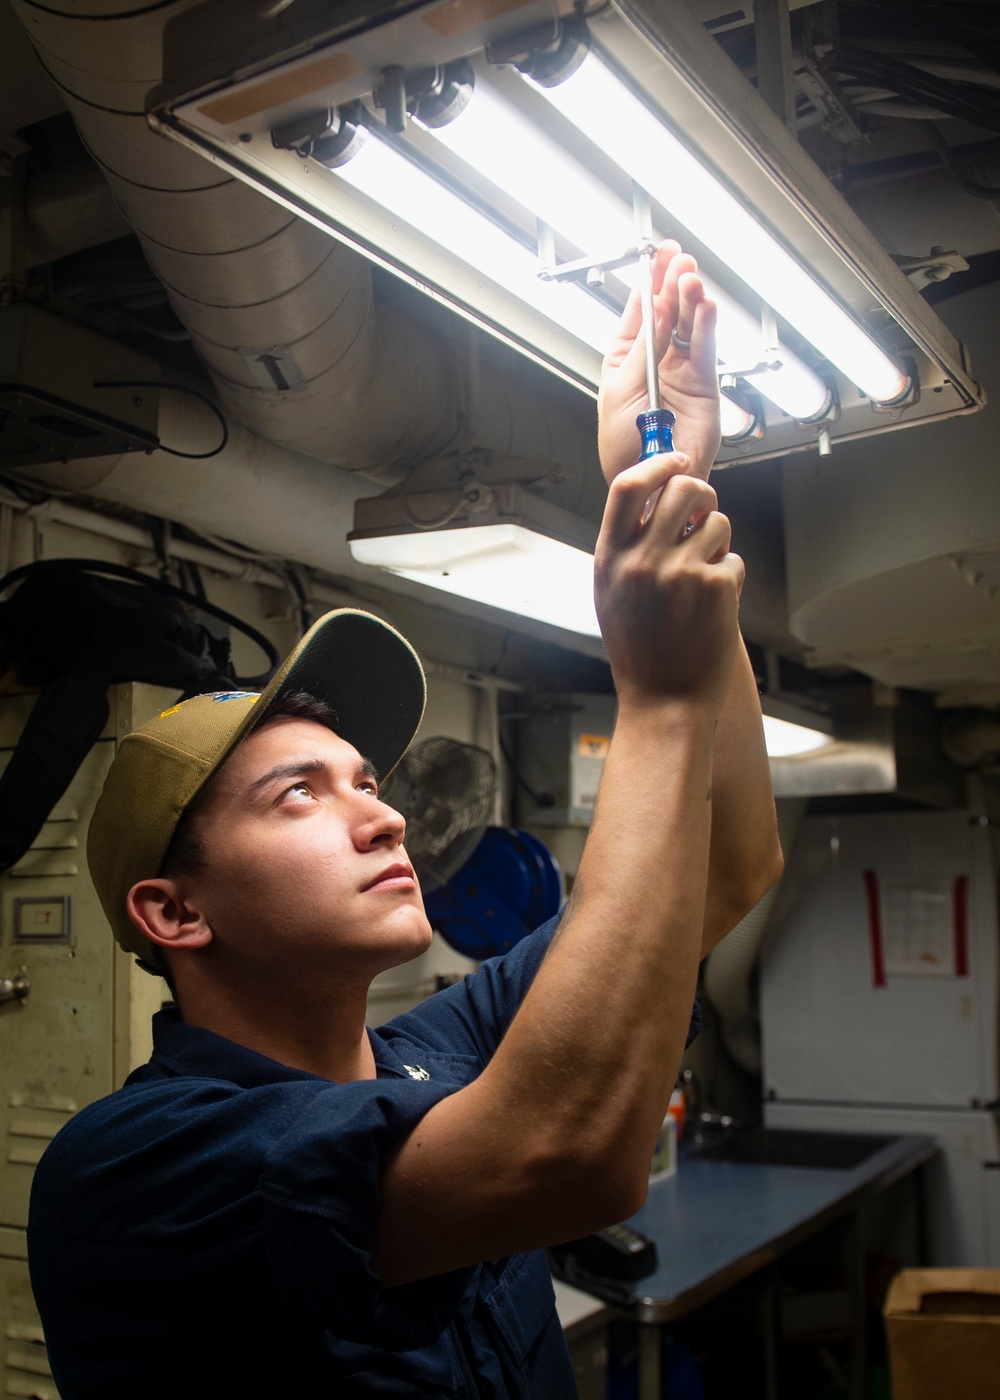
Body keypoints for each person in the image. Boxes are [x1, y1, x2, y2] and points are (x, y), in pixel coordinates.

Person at [27, 244, 782, 1398]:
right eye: (299, 792)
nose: (380, 817)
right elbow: (564, 1154)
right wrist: (660, 696)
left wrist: (671, 482)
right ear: (173, 910)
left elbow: (727, 860)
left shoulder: (441, 1049)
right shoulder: (131, 1165)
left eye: (366, 780)